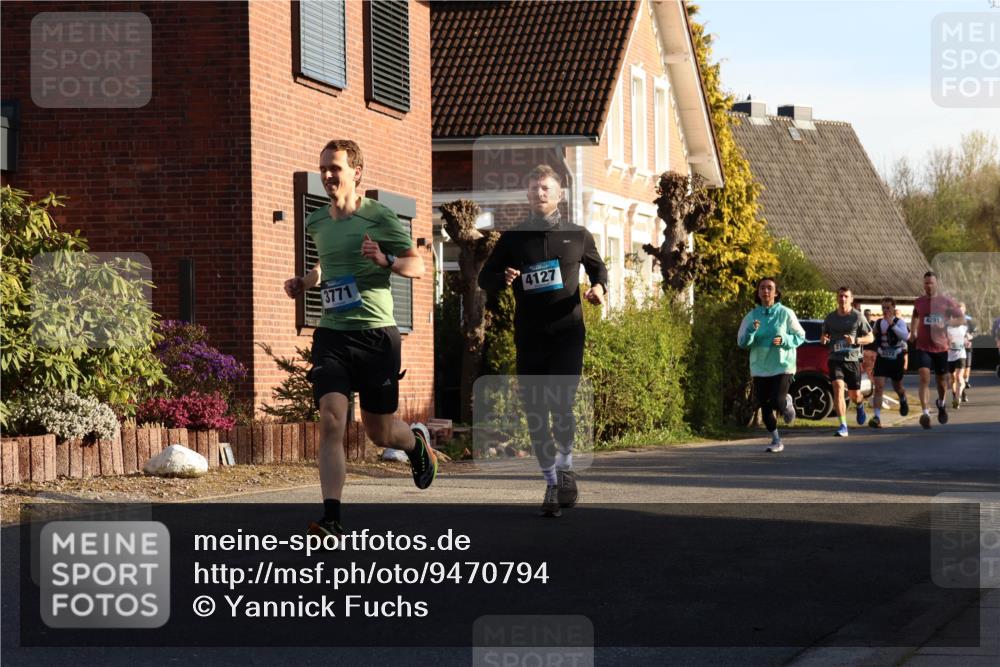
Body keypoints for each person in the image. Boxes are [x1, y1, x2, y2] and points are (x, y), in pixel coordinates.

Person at [284, 139, 436, 538]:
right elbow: (326, 265)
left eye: (334, 168)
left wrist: (386, 260)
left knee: (379, 432)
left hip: (375, 336)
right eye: (323, 168)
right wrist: (305, 282)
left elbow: (418, 266)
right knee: (331, 419)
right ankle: (332, 517)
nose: (327, 175)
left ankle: (415, 445)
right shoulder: (317, 221)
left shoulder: (379, 216)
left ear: (356, 172)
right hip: (332, 334)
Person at [478, 164, 608, 517]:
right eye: (534, 188)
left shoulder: (577, 235)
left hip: (567, 333)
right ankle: (551, 483)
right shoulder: (514, 238)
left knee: (561, 403)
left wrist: (598, 288)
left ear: (559, 194)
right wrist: (502, 277)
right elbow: (485, 277)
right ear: (527, 194)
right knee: (536, 411)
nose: (539, 193)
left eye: (546, 188)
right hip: (530, 335)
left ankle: (565, 469)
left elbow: (598, 268)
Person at [737, 277, 806, 452]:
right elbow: (742, 343)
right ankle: (776, 440)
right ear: (758, 292)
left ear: (776, 293)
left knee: (777, 400)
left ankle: (786, 402)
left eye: (769, 288)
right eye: (762, 288)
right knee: (765, 404)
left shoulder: (785, 313)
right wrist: (751, 331)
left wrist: (784, 340)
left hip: (782, 364)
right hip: (760, 367)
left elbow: (800, 336)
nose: (766, 291)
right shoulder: (752, 316)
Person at [909, 271, 964, 429]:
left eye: (931, 283)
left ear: (936, 284)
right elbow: (915, 315)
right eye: (926, 283)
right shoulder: (919, 301)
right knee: (924, 377)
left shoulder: (946, 301)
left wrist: (946, 323)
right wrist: (913, 332)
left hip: (941, 347)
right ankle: (925, 413)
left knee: (941, 381)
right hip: (923, 346)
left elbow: (960, 319)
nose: (929, 286)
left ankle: (941, 403)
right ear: (923, 284)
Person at [821, 287, 874, 437]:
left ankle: (860, 404)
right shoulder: (830, 318)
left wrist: (856, 340)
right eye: (840, 296)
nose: (842, 299)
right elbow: (823, 335)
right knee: (838, 388)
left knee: (854, 395)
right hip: (835, 359)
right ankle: (843, 425)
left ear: (851, 299)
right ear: (837, 298)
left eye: (845, 296)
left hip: (852, 360)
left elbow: (871, 338)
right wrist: (824, 339)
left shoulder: (858, 317)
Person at [869, 297, 909, 428]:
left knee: (897, 387)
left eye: (888, 308)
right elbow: (872, 337)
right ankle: (877, 417)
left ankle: (902, 399)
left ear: (893, 308)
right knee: (879, 387)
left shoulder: (900, 322)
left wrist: (892, 324)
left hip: (896, 358)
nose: (885, 310)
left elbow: (905, 337)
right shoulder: (878, 322)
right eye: (883, 308)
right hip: (882, 357)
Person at [946, 317, 970, 410]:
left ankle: (957, 399)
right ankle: (956, 394)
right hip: (949, 357)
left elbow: (968, 338)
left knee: (959, 377)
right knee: (952, 378)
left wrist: (967, 341)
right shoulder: (946, 328)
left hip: (960, 355)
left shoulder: (963, 327)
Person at [960, 303, 975, 400]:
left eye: (962, 309)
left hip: (967, 346)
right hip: (957, 349)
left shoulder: (969, 319)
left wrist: (970, 337)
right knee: (959, 373)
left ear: (964, 310)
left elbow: (974, 332)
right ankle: (961, 393)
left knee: (967, 367)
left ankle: (966, 381)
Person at [862, 309, 878, 381]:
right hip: (863, 350)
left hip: (872, 350)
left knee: (871, 369)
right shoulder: (861, 323)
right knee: (863, 370)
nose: (867, 316)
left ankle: (872, 383)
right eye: (865, 314)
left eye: (868, 314)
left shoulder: (874, 324)